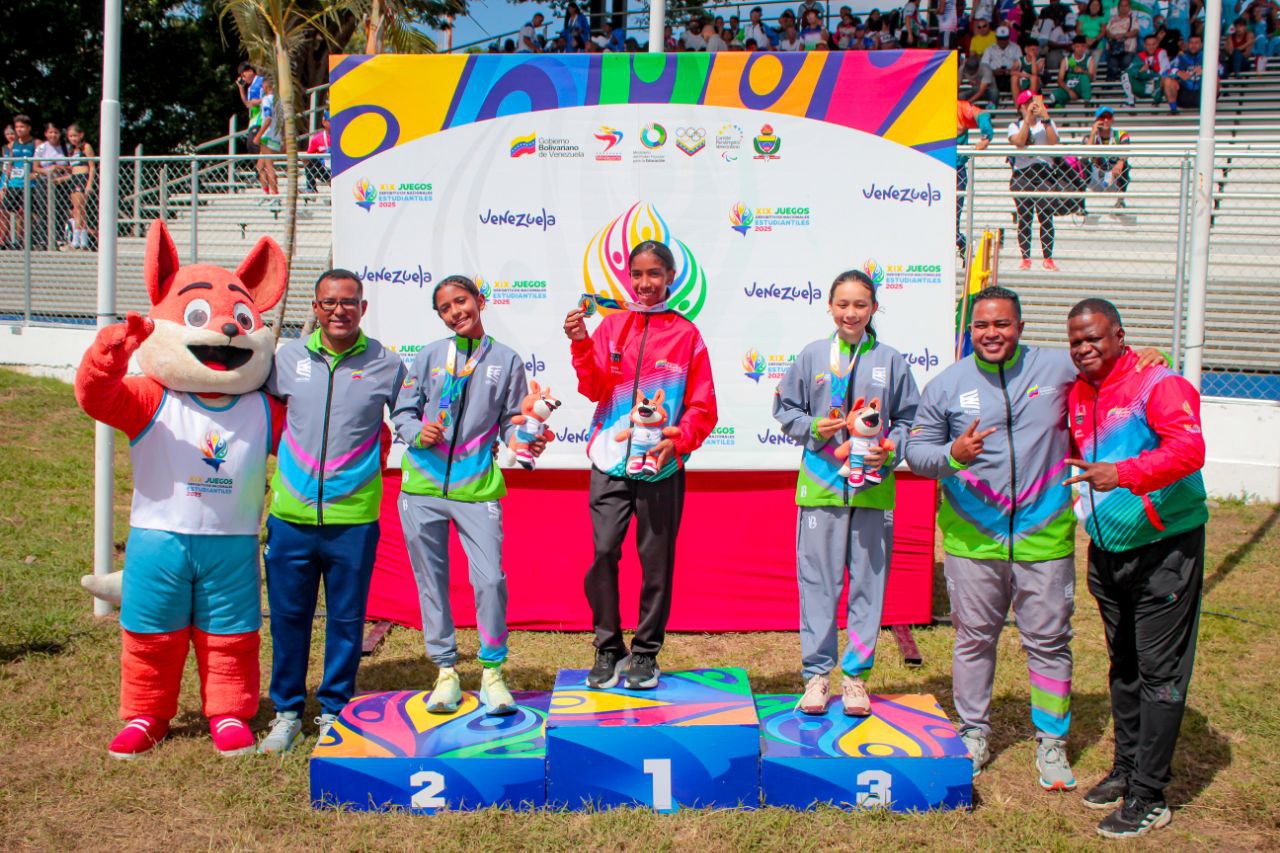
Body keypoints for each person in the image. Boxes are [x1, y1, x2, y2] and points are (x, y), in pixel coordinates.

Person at [1063, 298, 1207, 839]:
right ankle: (1126, 768)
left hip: (1164, 550)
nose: (1084, 349)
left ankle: (1150, 794)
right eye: (1076, 341)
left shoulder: (1158, 383)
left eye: (1094, 338)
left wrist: (1123, 473)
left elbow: (1189, 450)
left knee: (1159, 673)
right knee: (1123, 666)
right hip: (1107, 551)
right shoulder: (1079, 392)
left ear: (1119, 336)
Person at [257, 269, 406, 753]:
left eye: (348, 302)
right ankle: (286, 713)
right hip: (291, 516)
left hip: (353, 518)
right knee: (288, 618)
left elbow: (410, 418)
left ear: (363, 308)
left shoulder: (386, 363)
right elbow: (258, 414)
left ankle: (335, 711)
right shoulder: (286, 360)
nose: (339, 310)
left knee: (346, 619)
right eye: (329, 302)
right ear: (316, 308)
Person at [562, 241, 717, 691]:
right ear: (627, 277)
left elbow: (703, 407)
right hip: (609, 462)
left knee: (656, 563)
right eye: (637, 274)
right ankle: (608, 646)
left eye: (654, 274)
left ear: (670, 278)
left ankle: (646, 652)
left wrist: (679, 441)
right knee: (604, 553)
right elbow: (593, 388)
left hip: (660, 468)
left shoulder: (686, 335)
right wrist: (580, 343)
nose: (645, 283)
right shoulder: (612, 325)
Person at [393, 275, 542, 715]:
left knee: (490, 579)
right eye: (445, 308)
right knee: (432, 581)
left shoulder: (506, 359)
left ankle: (492, 672)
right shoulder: (428, 355)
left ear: (480, 300)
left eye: (461, 301)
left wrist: (522, 439)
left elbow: (512, 419)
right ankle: (445, 672)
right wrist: (417, 432)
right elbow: (403, 411)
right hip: (421, 487)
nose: (456, 311)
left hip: (476, 487)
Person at [773, 270, 919, 717]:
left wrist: (891, 449)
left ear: (873, 308)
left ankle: (855, 678)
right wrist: (813, 427)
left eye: (860, 304)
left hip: (873, 489)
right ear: (830, 306)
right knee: (818, 583)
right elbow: (785, 408)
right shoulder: (813, 355)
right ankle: (817, 675)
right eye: (842, 304)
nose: (850, 313)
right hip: (821, 487)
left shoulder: (891, 360)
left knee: (868, 585)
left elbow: (910, 419)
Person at [1008, 90, 1059, 271]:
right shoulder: (1015, 125)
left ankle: (1048, 257)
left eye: (1034, 102)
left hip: (1044, 172)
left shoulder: (1047, 123)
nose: (1032, 105)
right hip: (1023, 174)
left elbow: (1054, 142)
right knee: (1025, 217)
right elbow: (1019, 141)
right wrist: (1028, 120)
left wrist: (1045, 118)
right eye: (1028, 103)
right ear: (1021, 107)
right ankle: (1026, 258)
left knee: (1046, 216)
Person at [957, 81, 995, 258]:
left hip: (955, 170)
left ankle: (964, 250)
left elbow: (982, 114)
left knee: (952, 220)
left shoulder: (959, 107)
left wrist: (986, 137)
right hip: (931, 169)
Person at [1086, 107, 1131, 217]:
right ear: (1097, 120)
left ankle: (1120, 201)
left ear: (1112, 119)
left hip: (1114, 175)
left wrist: (1120, 162)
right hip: (1097, 175)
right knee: (1082, 164)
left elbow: (1126, 150)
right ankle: (1080, 205)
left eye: (1108, 117)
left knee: (1125, 164)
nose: (1106, 120)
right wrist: (1093, 133)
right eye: (1102, 117)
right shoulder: (1090, 137)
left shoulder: (1121, 135)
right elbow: (1085, 155)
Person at [33, 123, 70, 250]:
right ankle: (42, 240)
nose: (53, 135)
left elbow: (71, 166)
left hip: (61, 183)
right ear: (45, 134)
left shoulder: (66, 147)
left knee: (60, 210)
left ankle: (59, 239)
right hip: (44, 182)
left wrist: (58, 167)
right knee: (44, 211)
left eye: (56, 132)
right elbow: (35, 167)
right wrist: (48, 171)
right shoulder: (41, 148)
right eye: (50, 132)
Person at [1, 116, 36, 250]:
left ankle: (23, 240)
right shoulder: (12, 145)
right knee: (4, 212)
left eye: (22, 127)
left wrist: (35, 174)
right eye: (17, 127)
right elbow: (9, 165)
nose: (19, 129)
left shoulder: (35, 143)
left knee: (24, 214)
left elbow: (38, 164)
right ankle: (3, 240)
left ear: (29, 128)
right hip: (13, 183)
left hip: (28, 184)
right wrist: (5, 183)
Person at [1163, 33, 1212, 113]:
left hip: (1203, 94)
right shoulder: (1181, 57)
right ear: (1187, 44)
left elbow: (1221, 71)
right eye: (1191, 43)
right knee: (1168, 81)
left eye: (1196, 43)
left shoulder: (1208, 57)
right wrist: (1178, 72)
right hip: (1184, 94)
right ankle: (1174, 110)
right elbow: (1165, 72)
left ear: (1201, 45)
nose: (1193, 45)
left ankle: (1209, 110)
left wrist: (1205, 72)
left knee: (1215, 78)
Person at [65, 123, 96, 251]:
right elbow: (71, 168)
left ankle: (77, 239)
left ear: (81, 135)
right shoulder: (71, 150)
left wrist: (89, 183)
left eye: (75, 135)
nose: (73, 138)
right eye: (70, 136)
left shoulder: (86, 147)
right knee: (76, 209)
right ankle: (82, 239)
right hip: (74, 178)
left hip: (82, 178)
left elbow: (92, 166)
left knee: (79, 208)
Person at [252, 76, 282, 195]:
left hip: (267, 136)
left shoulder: (266, 100)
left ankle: (274, 193)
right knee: (260, 166)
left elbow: (268, 118)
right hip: (276, 135)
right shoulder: (279, 101)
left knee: (269, 166)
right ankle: (266, 192)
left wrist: (258, 135)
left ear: (265, 86)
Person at [1123, 33, 1171, 105]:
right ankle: (1130, 100)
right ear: (1144, 45)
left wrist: (1154, 75)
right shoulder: (1140, 56)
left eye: (1153, 44)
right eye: (1148, 44)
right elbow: (1131, 70)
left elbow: (1165, 71)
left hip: (1158, 86)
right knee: (1125, 75)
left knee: (1165, 78)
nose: (1151, 47)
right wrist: (1139, 71)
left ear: (1157, 44)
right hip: (1144, 86)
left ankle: (1157, 97)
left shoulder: (1161, 52)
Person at [1049, 36, 1097, 107]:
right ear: (1073, 47)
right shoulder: (1066, 60)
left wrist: (1082, 71)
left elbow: (1092, 78)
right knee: (1053, 96)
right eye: (1078, 46)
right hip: (1069, 87)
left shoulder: (1089, 59)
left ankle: (1087, 102)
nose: (1080, 49)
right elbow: (1059, 80)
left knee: (1084, 77)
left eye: (1083, 46)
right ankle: (1060, 105)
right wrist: (1069, 91)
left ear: (1085, 47)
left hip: (1082, 88)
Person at [982, 26, 1023, 101]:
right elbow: (983, 66)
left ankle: (1018, 103)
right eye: (1000, 39)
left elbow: (1021, 64)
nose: (1002, 41)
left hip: (1010, 76)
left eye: (1004, 39)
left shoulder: (1016, 48)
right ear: (996, 38)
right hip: (994, 77)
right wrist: (993, 72)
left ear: (1008, 38)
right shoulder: (989, 49)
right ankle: (992, 104)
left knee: (1016, 79)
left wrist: (1011, 71)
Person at [1106, 0, 1142, 79]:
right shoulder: (1112, 19)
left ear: (1129, 7)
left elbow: (1136, 31)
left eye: (1126, 6)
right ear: (1118, 7)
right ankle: (1111, 83)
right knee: (1112, 66)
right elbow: (1107, 32)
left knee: (1126, 65)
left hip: (1128, 50)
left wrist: (1123, 35)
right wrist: (1114, 36)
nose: (1123, 8)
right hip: (1114, 49)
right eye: (1121, 6)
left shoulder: (1133, 19)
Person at [305, 112, 331, 193]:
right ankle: (311, 189)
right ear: (324, 122)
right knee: (310, 160)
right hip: (324, 170)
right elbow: (308, 156)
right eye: (330, 121)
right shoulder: (316, 139)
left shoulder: (341, 136)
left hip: (339, 169)